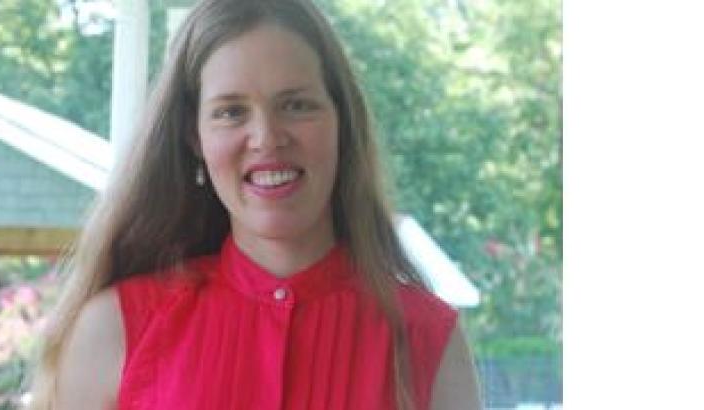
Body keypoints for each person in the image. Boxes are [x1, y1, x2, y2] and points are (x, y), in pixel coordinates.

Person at [29, 0, 481, 408]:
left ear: (342, 123)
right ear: (194, 137)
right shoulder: (115, 330)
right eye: (230, 111)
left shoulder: (428, 338)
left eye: (297, 105)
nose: (267, 138)